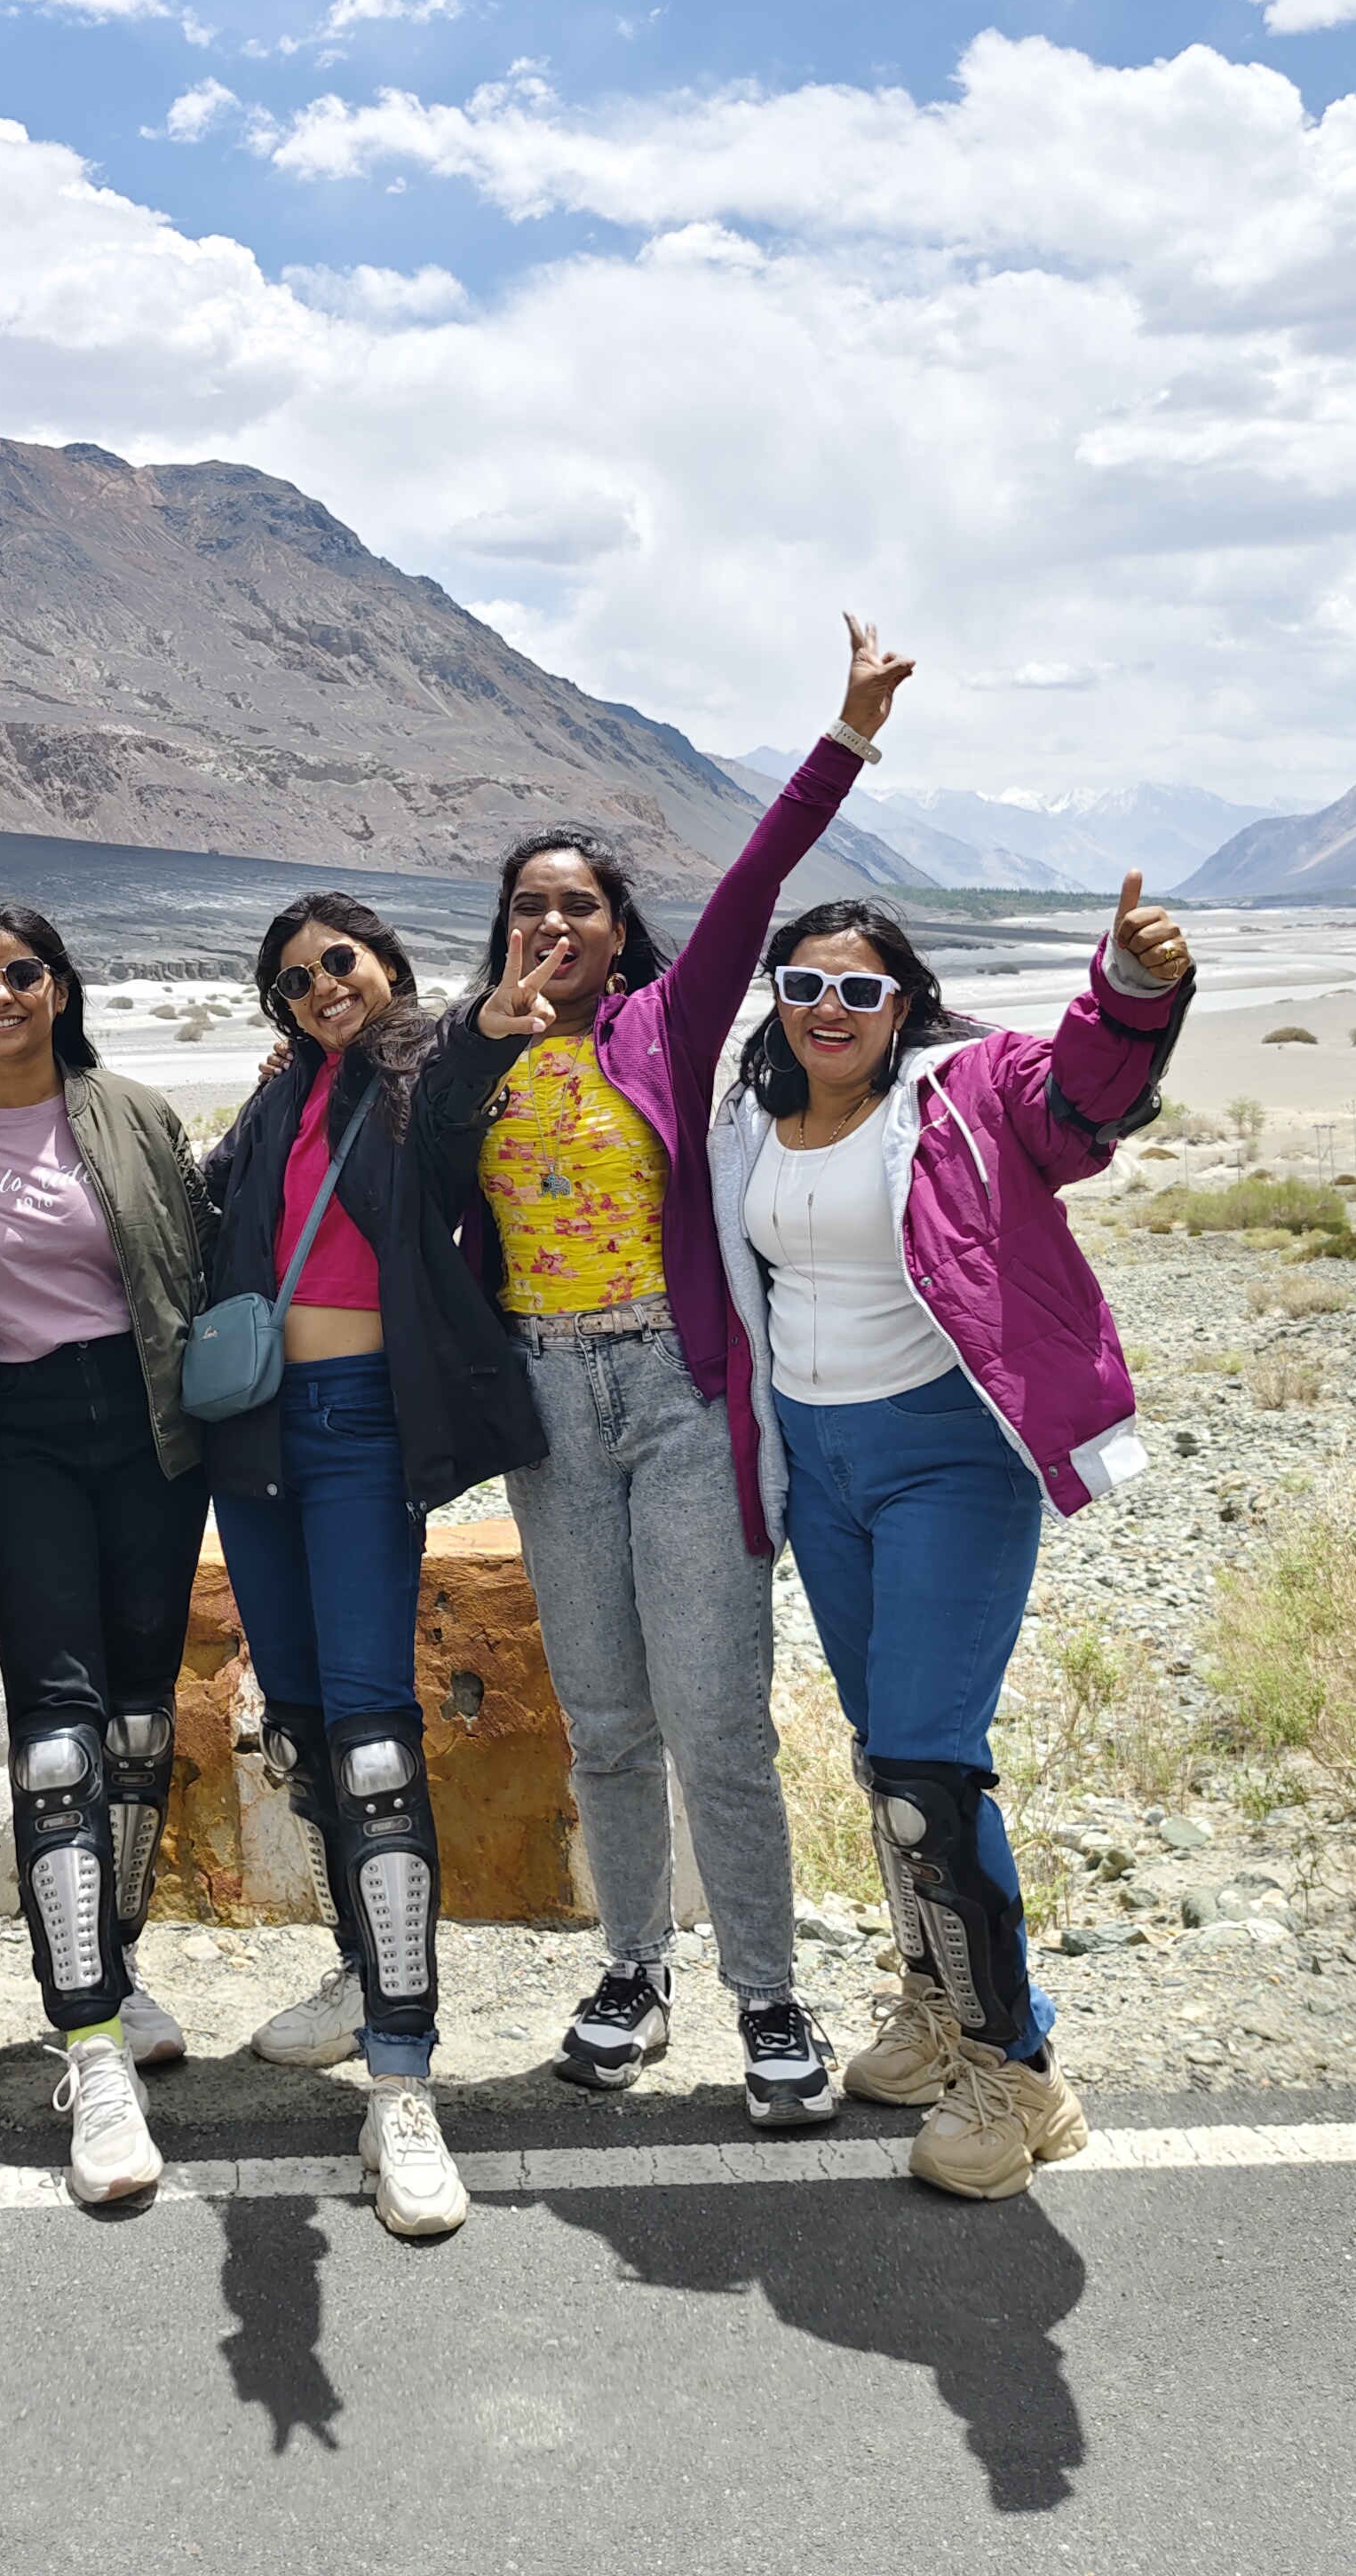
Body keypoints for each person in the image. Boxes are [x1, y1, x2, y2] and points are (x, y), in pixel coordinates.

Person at [700, 644, 1192, 2200]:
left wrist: (1130, 991)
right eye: (806, 985)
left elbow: (1086, 1101)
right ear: (780, 1001)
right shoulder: (750, 1120)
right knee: (879, 1751)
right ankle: (934, 2003)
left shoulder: (969, 1096)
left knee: (928, 1759)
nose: (832, 1006)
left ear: (903, 1001)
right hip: (823, 1465)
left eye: (862, 986)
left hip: (947, 1458)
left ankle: (1017, 2074)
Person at [432, 741, 872, 2124]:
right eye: (529, 907)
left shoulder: (667, 1027)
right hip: (549, 1409)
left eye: (578, 908)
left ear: (619, 935)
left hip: (679, 1398)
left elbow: (756, 882)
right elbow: (412, 1174)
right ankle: (633, 1969)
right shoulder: (469, 1057)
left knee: (717, 1721)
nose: (551, 926)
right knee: (609, 1723)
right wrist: (475, 1044)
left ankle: (766, 1991)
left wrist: (845, 741)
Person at [200, 893, 545, 2240]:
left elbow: (457, 1093)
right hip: (253, 1435)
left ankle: (403, 2078)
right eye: (292, 978)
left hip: (353, 1435)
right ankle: (359, 1967)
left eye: (337, 961)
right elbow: (210, 1209)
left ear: (385, 964)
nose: (320, 986)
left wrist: (494, 1029)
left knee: (373, 1740)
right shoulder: (285, 1097)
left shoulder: (414, 1071)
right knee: (296, 1721)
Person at [0, 905, 214, 2209]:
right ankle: (86, 2043)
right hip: (12, 1433)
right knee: (59, 1731)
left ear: (62, 986)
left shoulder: (132, 1110)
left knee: (140, 1719)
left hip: (143, 1426)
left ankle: (117, 1973)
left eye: (22, 973)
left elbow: (198, 1242)